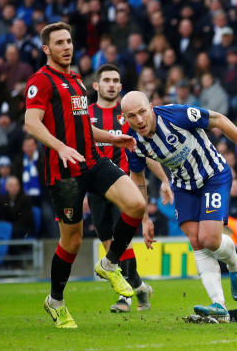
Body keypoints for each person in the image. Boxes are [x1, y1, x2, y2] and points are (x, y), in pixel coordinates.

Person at [24, 23, 148, 329]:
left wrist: (112, 138)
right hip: (65, 173)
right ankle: (55, 301)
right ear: (46, 49)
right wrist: (60, 146)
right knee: (73, 241)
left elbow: (82, 128)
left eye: (69, 40)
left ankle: (109, 263)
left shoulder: (77, 79)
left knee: (136, 204)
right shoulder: (41, 81)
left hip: (92, 160)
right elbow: (31, 122)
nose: (67, 46)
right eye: (59, 43)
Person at [120, 90, 237, 321]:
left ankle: (235, 262)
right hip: (183, 186)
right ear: (125, 117)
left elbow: (219, 120)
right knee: (196, 240)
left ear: (151, 107)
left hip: (214, 175)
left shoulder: (177, 114)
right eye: (132, 116)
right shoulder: (132, 140)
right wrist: (143, 218)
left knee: (210, 239)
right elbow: (138, 177)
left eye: (142, 112)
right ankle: (219, 306)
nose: (140, 120)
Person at [89, 63, 174, 313]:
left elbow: (146, 153)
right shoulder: (87, 114)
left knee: (121, 241)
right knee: (108, 246)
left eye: (116, 80)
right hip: (95, 187)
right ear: (96, 85)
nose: (112, 84)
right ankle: (140, 287)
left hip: (123, 183)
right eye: (107, 80)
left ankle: (124, 297)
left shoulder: (129, 115)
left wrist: (164, 179)